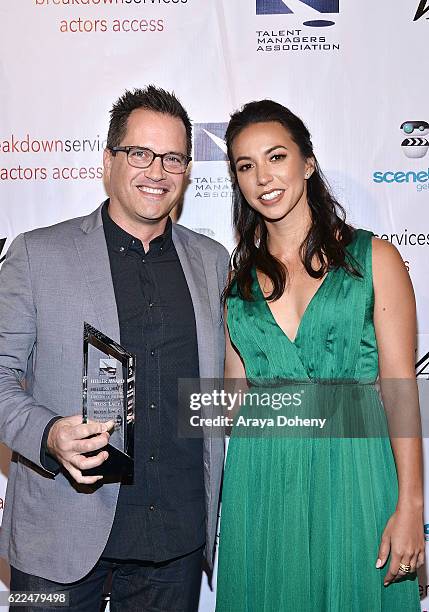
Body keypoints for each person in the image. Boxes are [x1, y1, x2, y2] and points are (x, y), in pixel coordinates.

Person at [0, 86, 229, 611]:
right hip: (58, 532)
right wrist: (49, 434)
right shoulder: (37, 254)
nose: (157, 171)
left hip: (174, 537)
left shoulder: (213, 262)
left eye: (173, 158)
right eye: (140, 154)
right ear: (109, 160)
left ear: (188, 170)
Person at [215, 100, 424, 611]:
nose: (263, 177)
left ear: (307, 163)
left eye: (276, 157)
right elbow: (231, 401)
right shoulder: (238, 283)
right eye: (246, 166)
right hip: (262, 478)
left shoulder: (374, 259)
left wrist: (411, 504)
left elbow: (400, 388)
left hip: (354, 470)